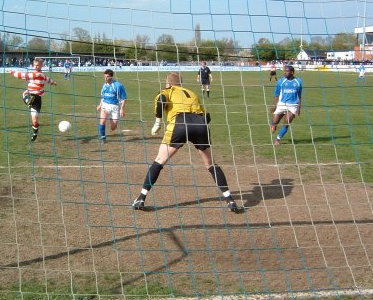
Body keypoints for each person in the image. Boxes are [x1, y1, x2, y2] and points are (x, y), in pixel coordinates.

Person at [132, 72, 243, 213]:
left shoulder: (167, 91)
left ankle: (141, 198)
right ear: (181, 84)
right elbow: (206, 116)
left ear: (168, 83)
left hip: (179, 123)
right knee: (210, 164)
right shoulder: (192, 93)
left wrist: (158, 122)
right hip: (200, 124)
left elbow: (160, 100)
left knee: (159, 161)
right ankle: (230, 201)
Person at [10, 58, 57, 141]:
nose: (36, 66)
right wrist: (53, 83)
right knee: (34, 120)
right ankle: (35, 132)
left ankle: (35, 132)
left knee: (35, 121)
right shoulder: (37, 75)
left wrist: (13, 73)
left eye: (38, 65)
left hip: (37, 98)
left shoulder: (39, 74)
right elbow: (48, 80)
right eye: (34, 65)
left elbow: (23, 76)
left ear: (41, 66)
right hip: (32, 95)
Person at [270, 65, 302, 145]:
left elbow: (299, 95)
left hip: (293, 105)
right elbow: (276, 94)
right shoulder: (281, 81)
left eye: (286, 71)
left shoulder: (298, 81)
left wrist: (299, 108)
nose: (284, 73)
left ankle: (277, 139)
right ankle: (274, 126)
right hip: (282, 104)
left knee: (286, 123)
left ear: (292, 72)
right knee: (274, 122)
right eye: (284, 71)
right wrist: (274, 105)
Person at [96, 69, 127, 142]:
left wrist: (122, 109)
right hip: (105, 105)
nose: (105, 78)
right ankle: (103, 137)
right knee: (102, 120)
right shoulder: (104, 86)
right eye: (105, 76)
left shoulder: (118, 86)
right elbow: (103, 97)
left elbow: (123, 98)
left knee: (113, 128)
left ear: (111, 77)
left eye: (107, 77)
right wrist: (100, 105)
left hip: (115, 107)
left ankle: (111, 118)